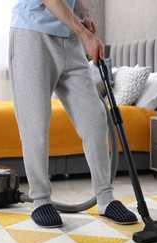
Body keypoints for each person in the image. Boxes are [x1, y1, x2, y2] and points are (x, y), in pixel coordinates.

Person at [9, 0, 137, 228]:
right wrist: (85, 35)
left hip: (69, 39)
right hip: (32, 36)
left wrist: (84, 13)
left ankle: (105, 199)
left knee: (95, 119)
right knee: (35, 123)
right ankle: (40, 200)